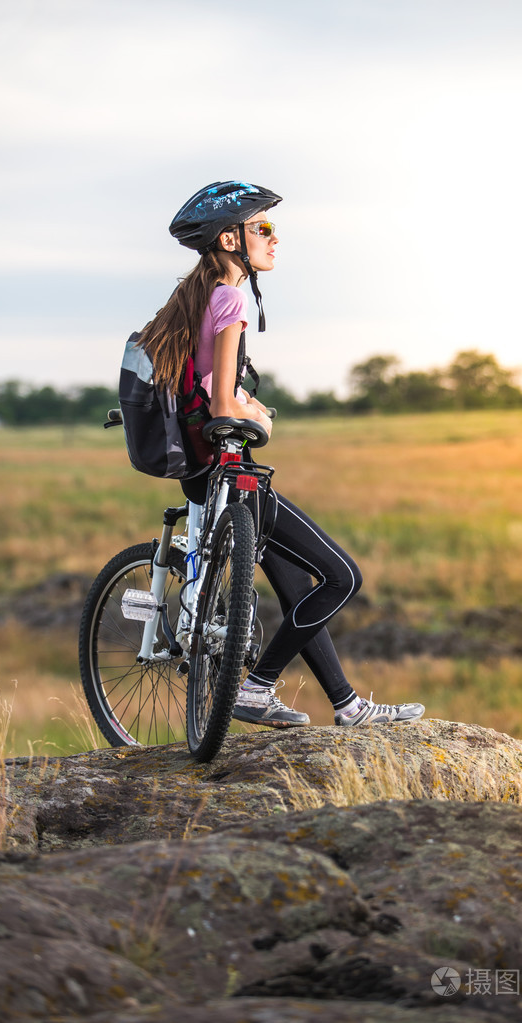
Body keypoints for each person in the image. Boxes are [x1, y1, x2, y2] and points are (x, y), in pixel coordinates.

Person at [138, 180, 425, 729]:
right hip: (229, 473)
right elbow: (221, 402)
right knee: (342, 578)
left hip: (202, 474)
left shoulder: (201, 295)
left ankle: (346, 704)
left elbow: (204, 385)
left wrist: (243, 400)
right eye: (262, 228)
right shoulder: (230, 297)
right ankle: (256, 687)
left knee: (295, 586)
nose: (274, 239)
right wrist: (256, 416)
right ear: (229, 238)